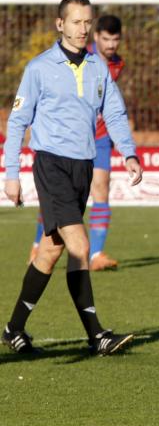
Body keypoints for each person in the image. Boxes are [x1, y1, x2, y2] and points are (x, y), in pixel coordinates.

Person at [2, 0, 142, 356]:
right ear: (60, 24)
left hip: (81, 167)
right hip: (51, 165)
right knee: (80, 247)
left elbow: (114, 113)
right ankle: (97, 335)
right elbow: (17, 122)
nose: (83, 29)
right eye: (76, 22)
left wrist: (128, 152)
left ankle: (13, 328)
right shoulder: (39, 68)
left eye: (87, 22)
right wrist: (12, 174)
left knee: (49, 252)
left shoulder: (98, 68)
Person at [29, 14, 125, 271]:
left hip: (100, 137)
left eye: (115, 40)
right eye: (106, 39)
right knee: (59, 197)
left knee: (102, 187)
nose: (111, 45)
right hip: (69, 139)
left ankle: (97, 255)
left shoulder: (117, 64)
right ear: (96, 37)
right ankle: (39, 245)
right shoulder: (79, 56)